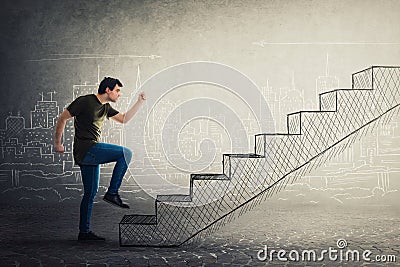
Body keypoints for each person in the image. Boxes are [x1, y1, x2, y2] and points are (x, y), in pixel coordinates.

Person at [54, 77, 146, 241]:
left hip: (90, 154)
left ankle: (84, 232)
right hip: (87, 149)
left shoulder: (106, 107)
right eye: (117, 90)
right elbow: (62, 118)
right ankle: (112, 193)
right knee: (126, 153)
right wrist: (57, 143)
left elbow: (124, 119)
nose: (119, 94)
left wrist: (139, 102)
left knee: (90, 194)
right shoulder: (85, 101)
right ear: (108, 90)